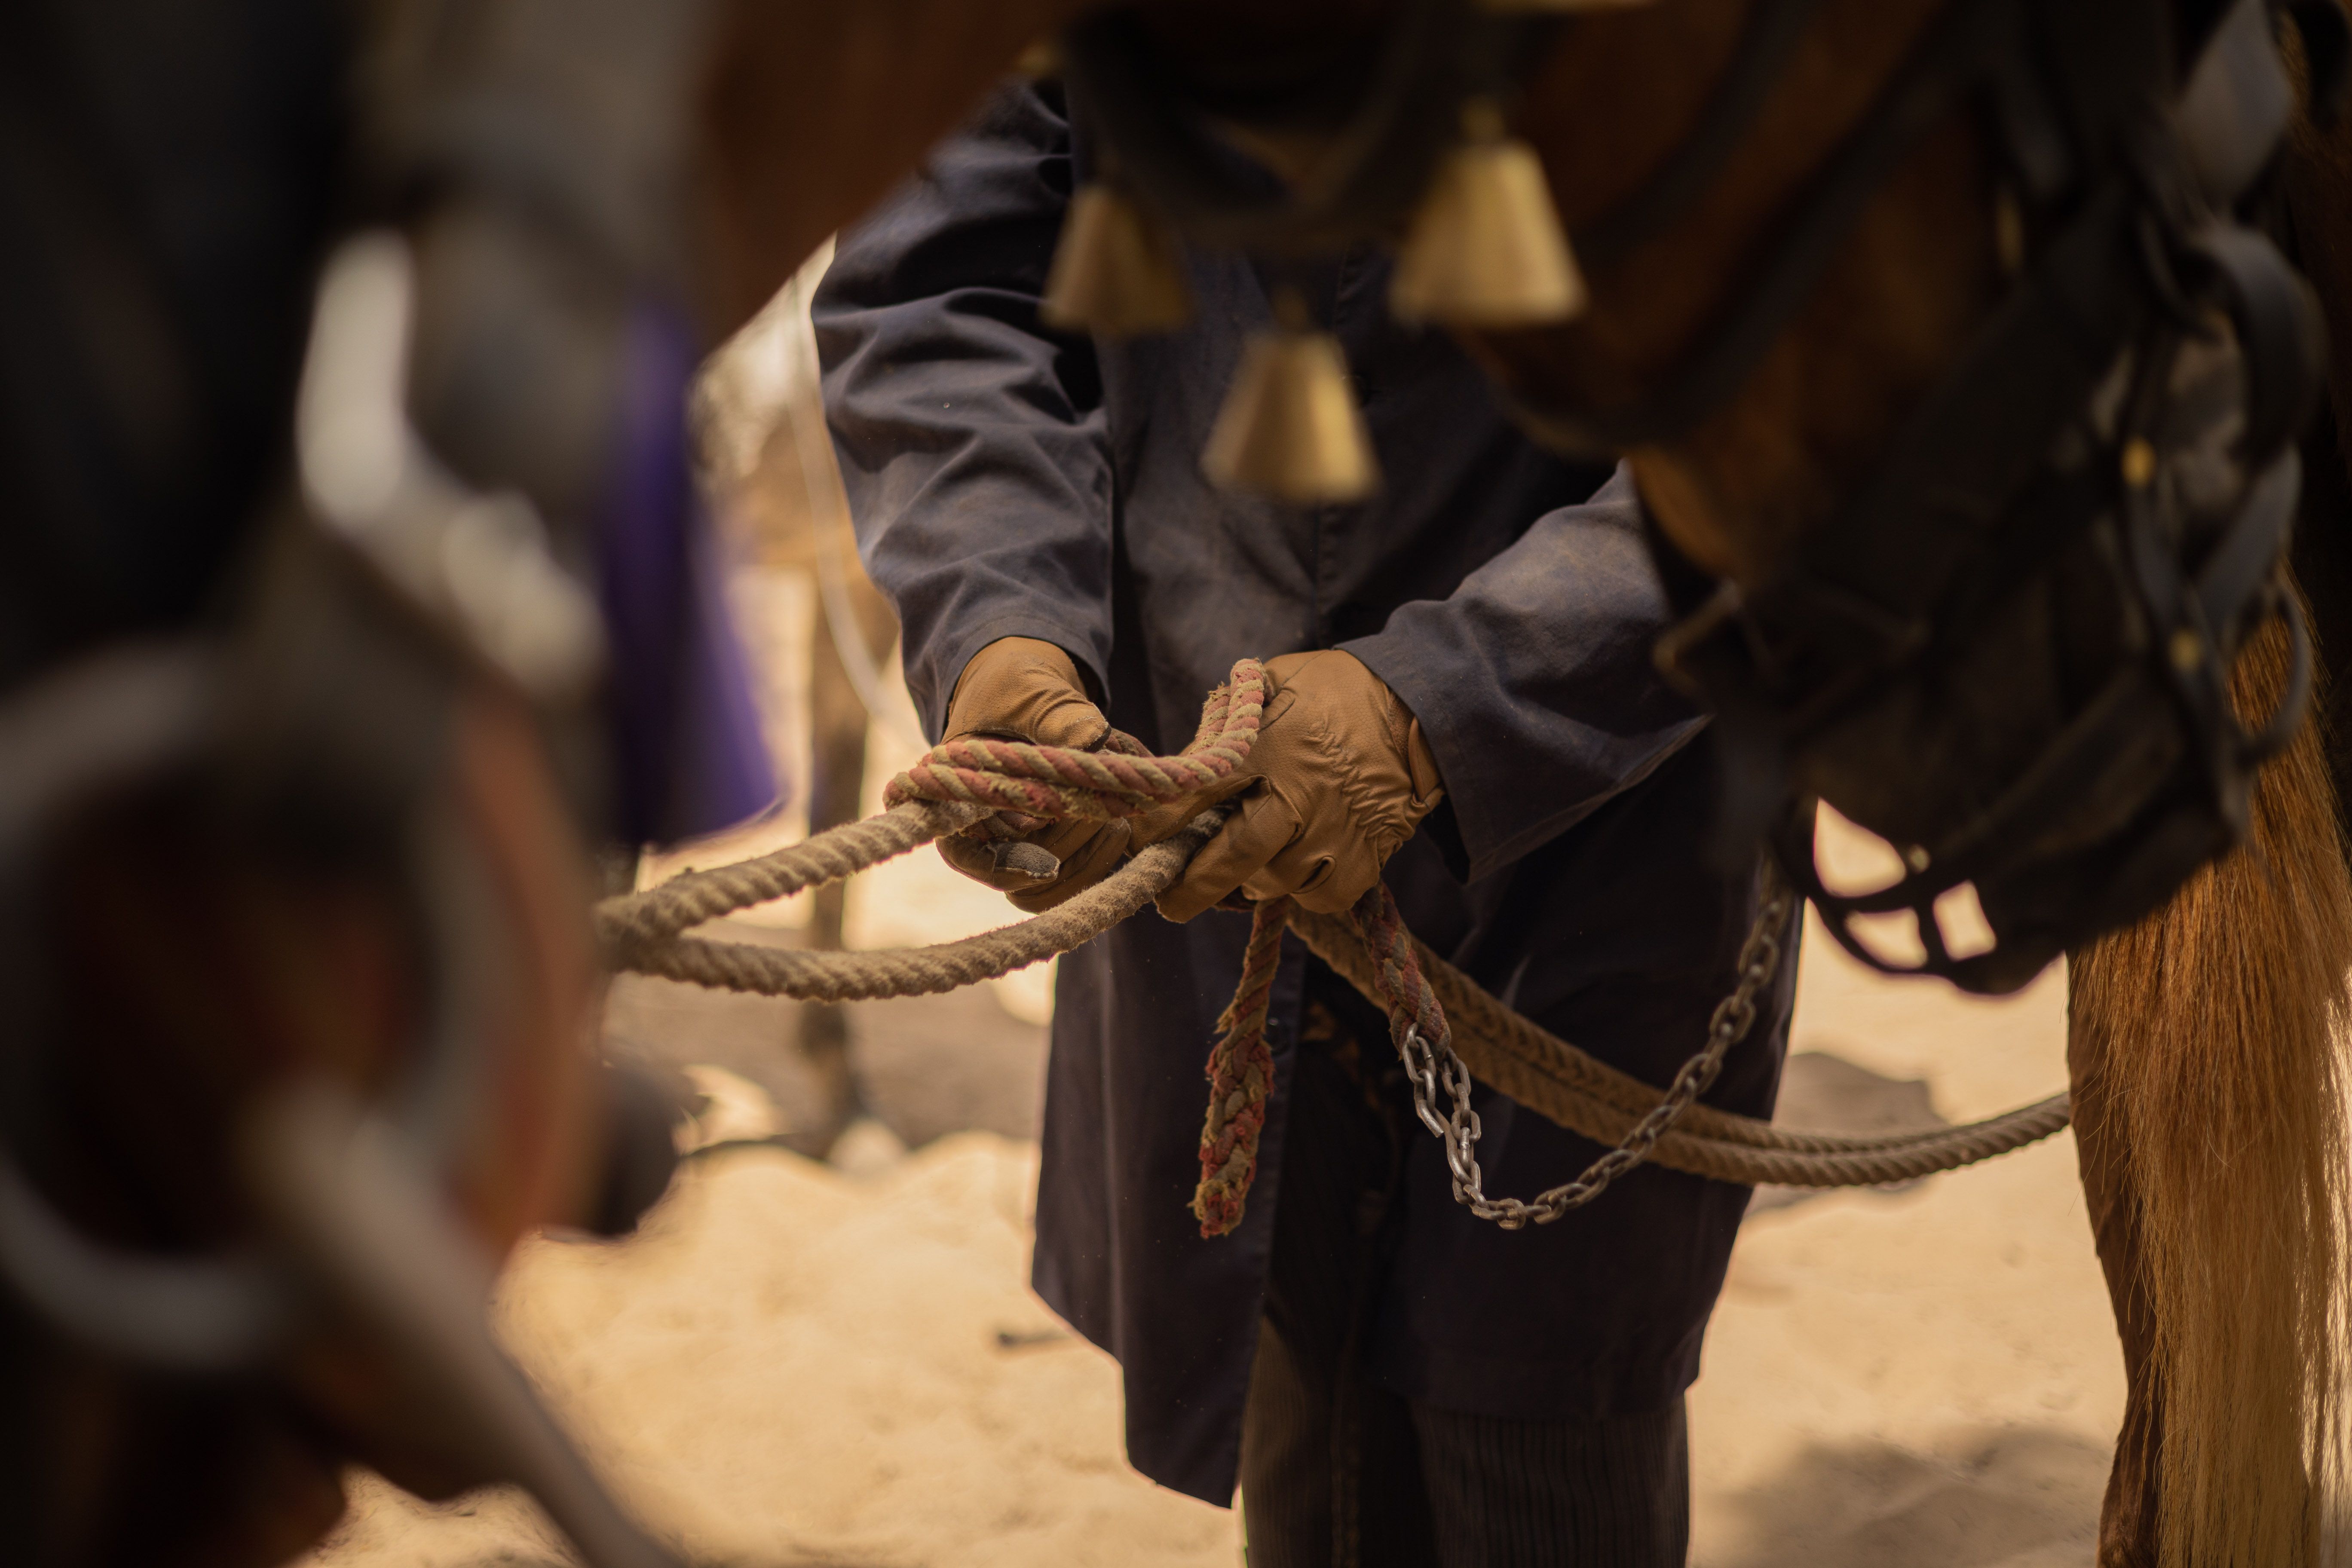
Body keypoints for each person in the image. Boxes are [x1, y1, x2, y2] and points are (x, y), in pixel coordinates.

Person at [815, 77, 1798, 1568]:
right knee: (1304, 1436)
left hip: (1608, 840)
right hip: (1202, 839)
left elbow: (1835, 365)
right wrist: (1004, 630)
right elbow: (942, 269)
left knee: (1544, 1445)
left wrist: (1442, 708)